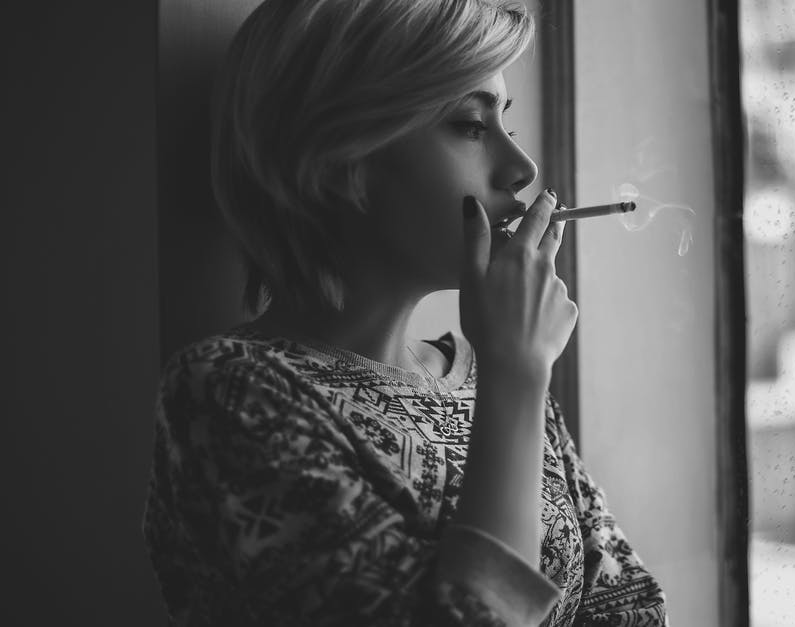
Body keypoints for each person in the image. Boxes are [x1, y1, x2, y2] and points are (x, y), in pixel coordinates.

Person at [141, 1, 669, 625]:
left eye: (508, 124)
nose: (523, 170)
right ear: (342, 158)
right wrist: (517, 371)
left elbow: (630, 608)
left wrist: (511, 375)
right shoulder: (233, 394)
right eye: (472, 126)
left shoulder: (485, 379)